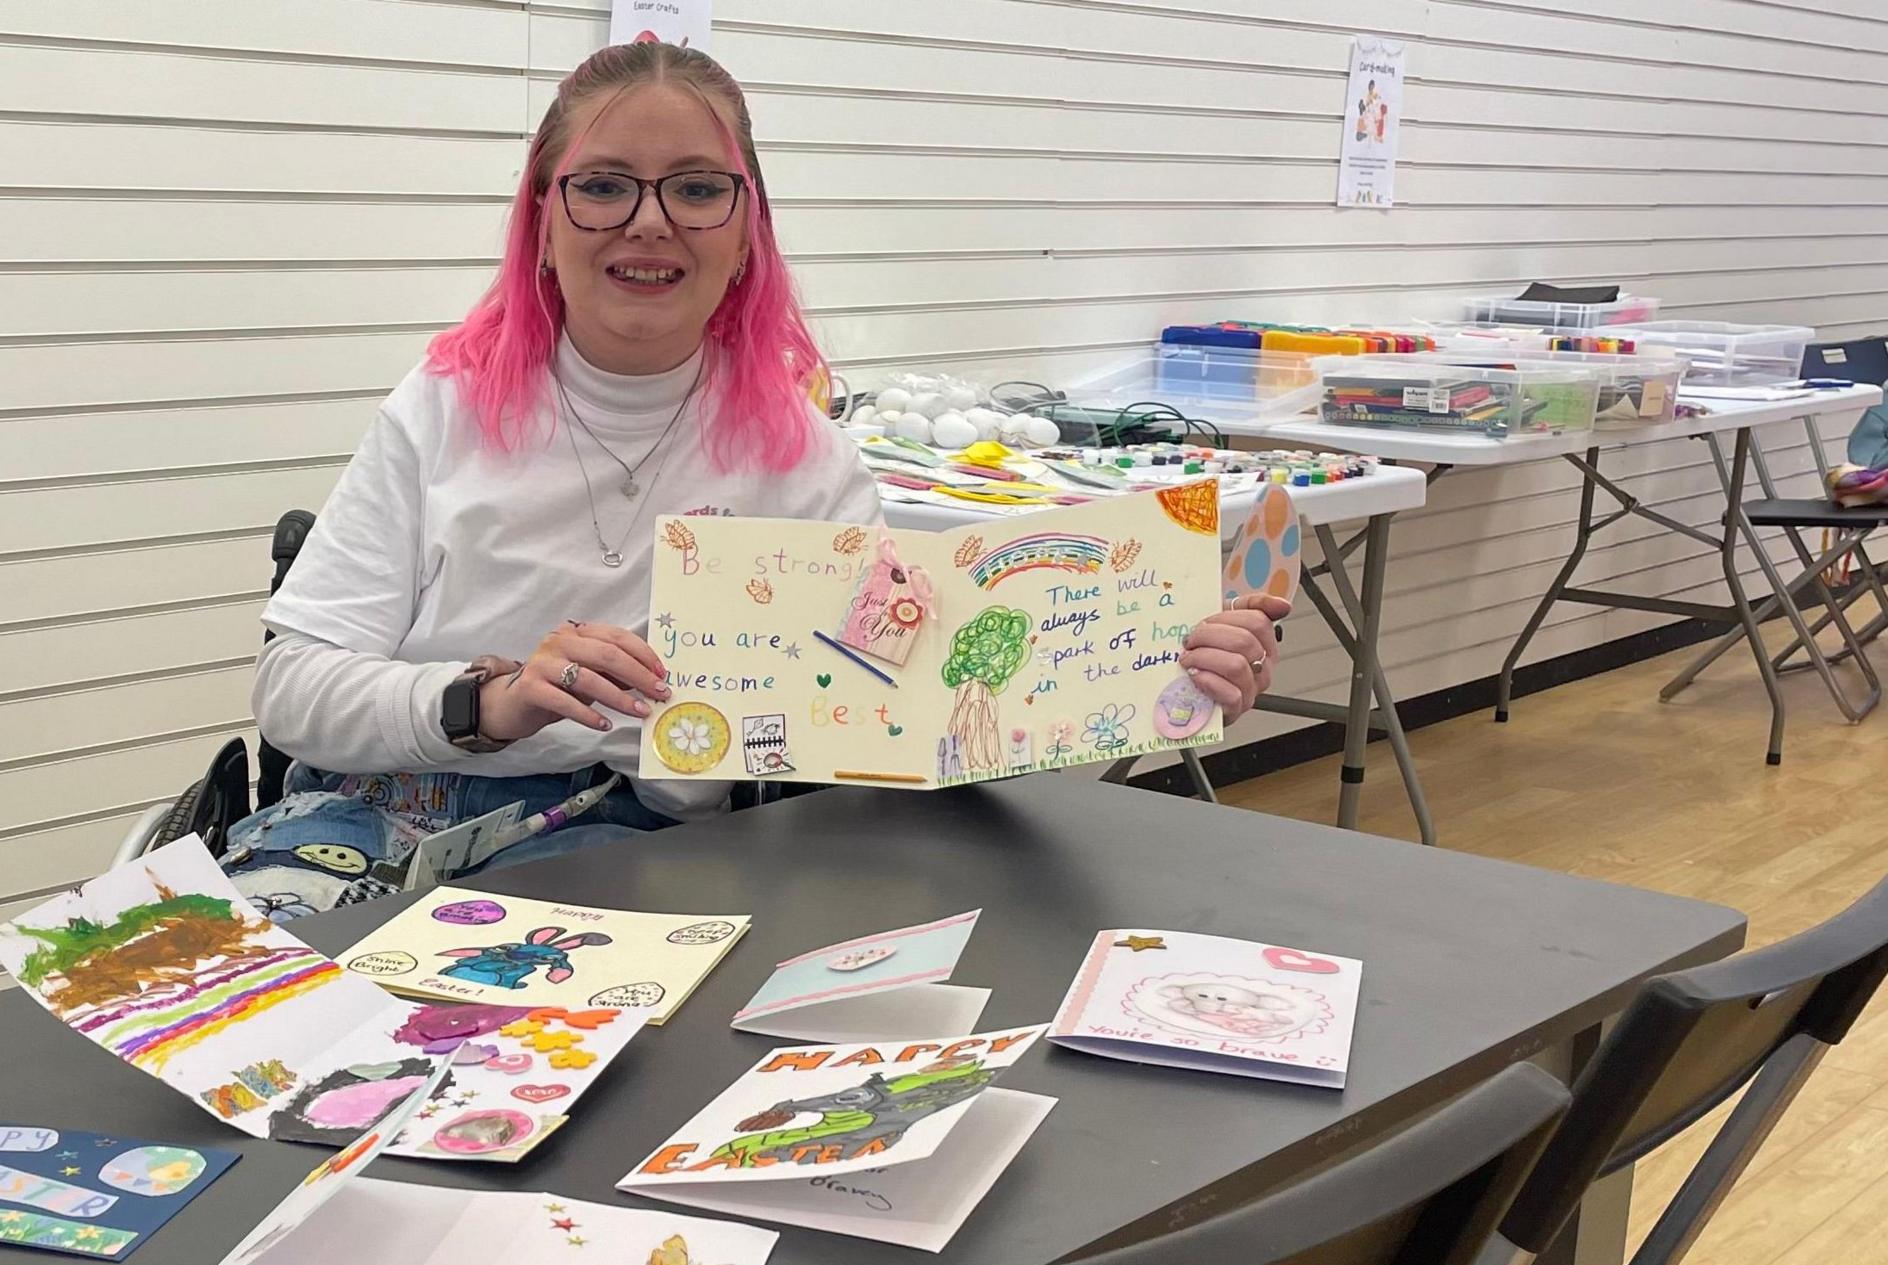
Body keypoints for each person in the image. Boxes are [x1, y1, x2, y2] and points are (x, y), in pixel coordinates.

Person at [221, 41, 1288, 919]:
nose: (649, 221)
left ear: (746, 232)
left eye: (695, 188)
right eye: (601, 187)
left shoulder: (802, 459)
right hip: (368, 818)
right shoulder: (442, 405)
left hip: (621, 847)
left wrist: (1155, 677)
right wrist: (481, 702)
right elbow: (293, 693)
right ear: (542, 222)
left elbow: (915, 717)